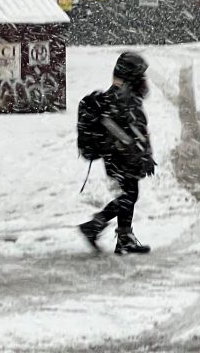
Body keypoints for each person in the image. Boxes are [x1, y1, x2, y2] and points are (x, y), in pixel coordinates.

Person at [78, 51, 155, 255]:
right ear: (131, 75)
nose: (144, 80)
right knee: (129, 195)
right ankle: (96, 227)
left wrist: (143, 154)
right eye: (140, 75)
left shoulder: (123, 94)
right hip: (120, 156)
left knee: (128, 194)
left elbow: (136, 131)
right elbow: (128, 133)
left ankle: (120, 237)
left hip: (119, 155)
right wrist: (142, 155)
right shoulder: (120, 97)